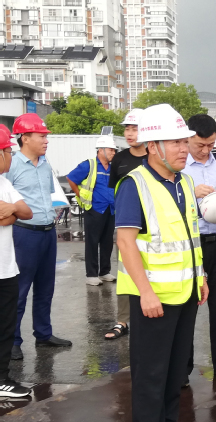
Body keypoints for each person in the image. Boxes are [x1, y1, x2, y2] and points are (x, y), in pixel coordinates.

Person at [115, 104, 208, 422]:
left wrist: (201, 276)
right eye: (176, 142)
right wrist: (146, 293)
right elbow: (125, 243)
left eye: (185, 141)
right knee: (150, 375)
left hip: (185, 293)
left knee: (174, 372)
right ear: (153, 146)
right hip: (153, 299)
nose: (185, 148)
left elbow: (189, 236)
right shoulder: (134, 185)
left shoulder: (183, 182)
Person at [6, 113, 72, 362]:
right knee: (20, 290)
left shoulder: (45, 164)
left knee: (46, 287)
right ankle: (13, 341)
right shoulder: (11, 165)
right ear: (24, 138)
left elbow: (47, 196)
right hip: (24, 233)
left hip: (47, 232)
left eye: (46, 136)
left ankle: (43, 334)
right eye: (41, 136)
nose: (46, 140)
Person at [182, 114, 216, 382]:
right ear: (188, 138)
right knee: (187, 305)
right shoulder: (179, 165)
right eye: (200, 145)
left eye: (210, 145)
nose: (205, 150)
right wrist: (192, 194)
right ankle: (182, 367)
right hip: (190, 244)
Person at [105, 108, 147, 340]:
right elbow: (116, 192)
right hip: (126, 225)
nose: (129, 133)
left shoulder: (155, 156)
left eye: (135, 129)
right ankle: (123, 320)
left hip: (152, 226)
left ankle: (149, 314)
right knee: (125, 272)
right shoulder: (119, 159)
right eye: (127, 129)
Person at [0, 129, 33, 397]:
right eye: (9, 151)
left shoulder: (3, 183)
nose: (11, 156)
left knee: (5, 326)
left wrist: (10, 211)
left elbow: (26, 212)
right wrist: (12, 213)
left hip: (6, 269)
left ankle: (2, 379)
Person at [66, 135, 117, 286]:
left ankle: (105, 272)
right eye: (111, 149)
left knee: (107, 242)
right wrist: (79, 194)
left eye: (114, 150)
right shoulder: (89, 165)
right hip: (94, 209)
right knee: (92, 242)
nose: (113, 152)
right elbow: (71, 178)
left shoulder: (112, 167)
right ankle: (92, 274)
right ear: (101, 150)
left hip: (110, 209)